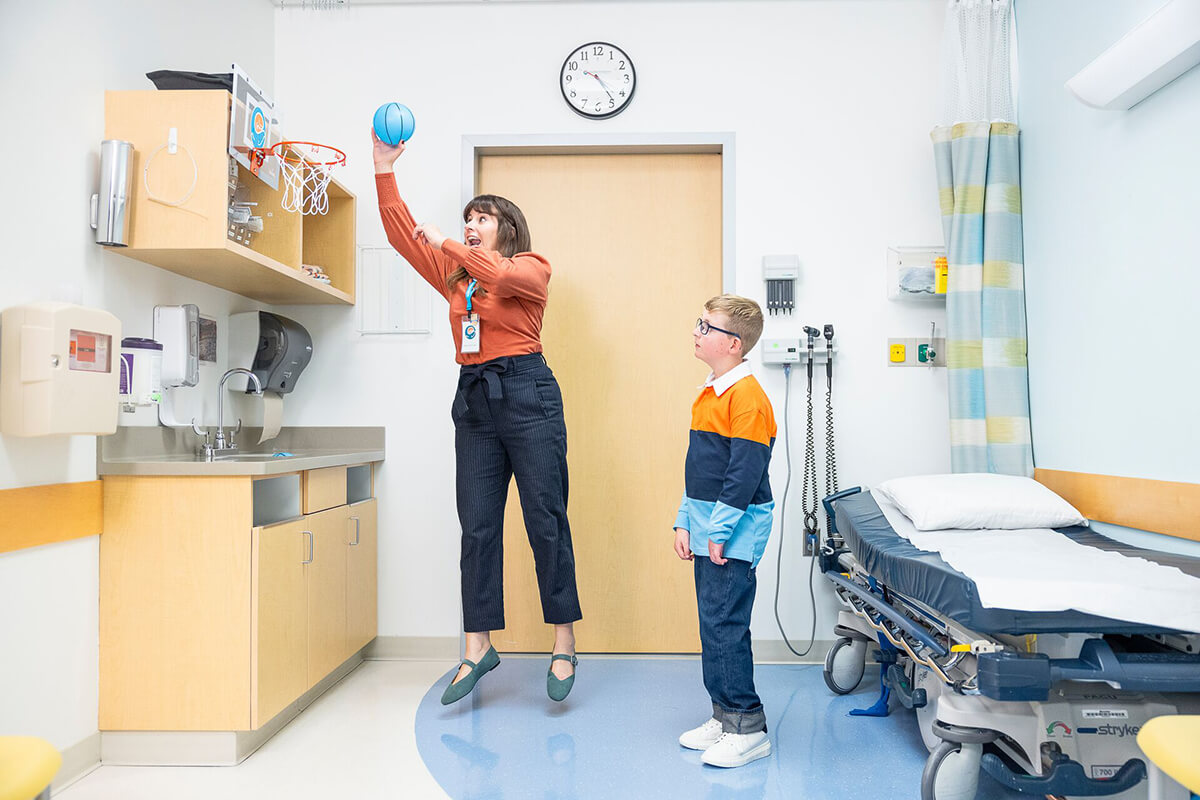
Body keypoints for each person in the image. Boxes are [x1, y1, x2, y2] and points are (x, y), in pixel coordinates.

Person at [373, 131, 582, 705]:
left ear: (506, 229)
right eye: (467, 218)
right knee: (478, 525)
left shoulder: (530, 267)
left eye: (482, 218)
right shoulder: (456, 276)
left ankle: (563, 641)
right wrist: (383, 167)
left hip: (528, 392)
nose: (470, 223)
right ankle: (476, 646)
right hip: (474, 397)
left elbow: (505, 279)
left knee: (545, 518)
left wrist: (453, 244)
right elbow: (401, 234)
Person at [672, 294, 777, 768]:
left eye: (705, 325)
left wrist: (718, 530)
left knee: (726, 626)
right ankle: (723, 715)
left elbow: (744, 474)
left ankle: (747, 724)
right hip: (709, 526)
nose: (696, 330)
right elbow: (700, 473)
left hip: (733, 528)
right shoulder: (710, 391)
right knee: (712, 625)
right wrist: (683, 520)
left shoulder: (748, 398)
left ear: (733, 344)